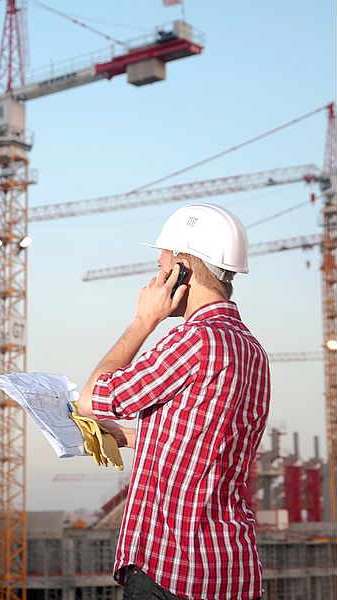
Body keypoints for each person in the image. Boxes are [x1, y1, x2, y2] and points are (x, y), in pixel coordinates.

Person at [77, 203, 270, 600]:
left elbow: (93, 399)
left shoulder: (194, 340)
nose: (155, 274)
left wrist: (142, 321)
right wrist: (129, 436)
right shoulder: (252, 349)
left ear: (181, 268)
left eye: (161, 262)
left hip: (172, 570)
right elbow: (204, 442)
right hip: (230, 569)